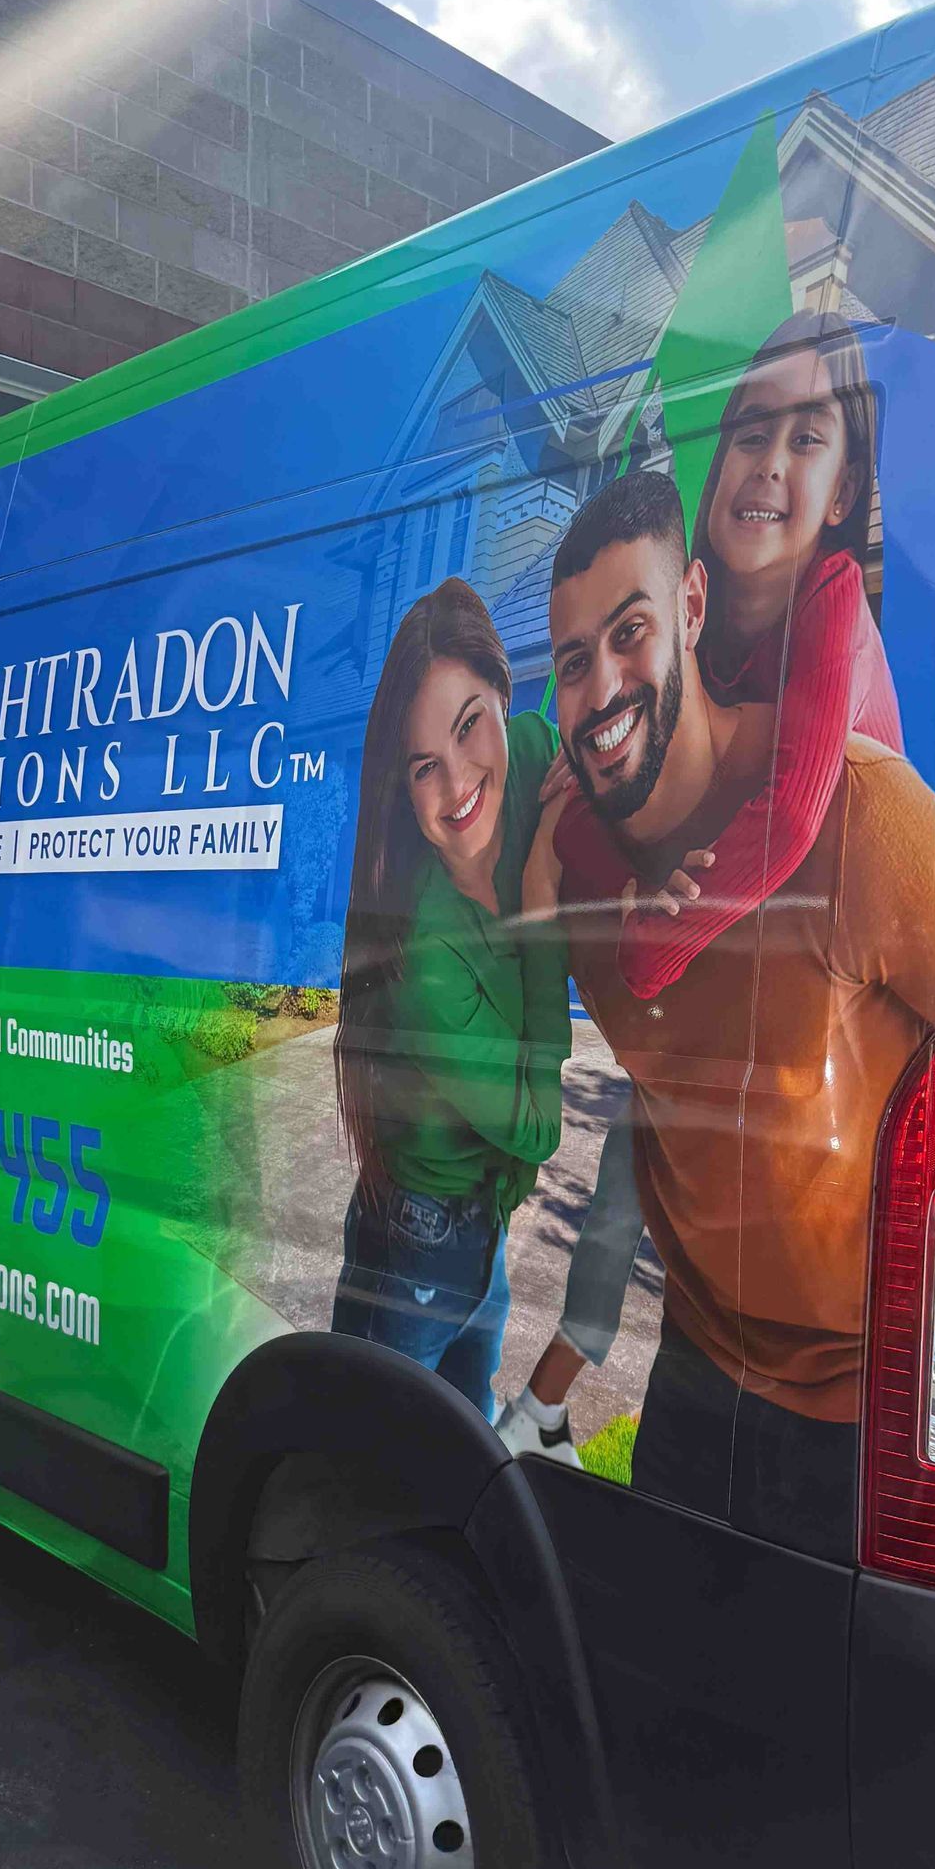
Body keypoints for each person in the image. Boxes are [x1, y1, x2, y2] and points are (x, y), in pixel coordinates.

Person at [537, 469, 935, 1540]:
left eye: (632, 632)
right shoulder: (579, 861)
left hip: (863, 1416)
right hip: (697, 1368)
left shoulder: (864, 820)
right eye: (575, 662)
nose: (604, 686)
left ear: (694, 607)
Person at [497, 310, 901, 1461]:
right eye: (748, 429)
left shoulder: (831, 604)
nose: (768, 462)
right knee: (628, 1203)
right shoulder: (700, 616)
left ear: (843, 486)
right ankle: (546, 1410)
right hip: (722, 1015)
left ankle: (548, 1410)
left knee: (715, 1247)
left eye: (807, 436)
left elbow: (793, 805)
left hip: (814, 1037)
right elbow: (621, 775)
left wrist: (651, 944)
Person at [330, 578, 571, 1420]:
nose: (459, 781)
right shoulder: (427, 950)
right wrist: (541, 904)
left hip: (484, 1224)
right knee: (367, 1459)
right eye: (425, 766)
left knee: (461, 1446)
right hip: (421, 1244)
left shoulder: (541, 755)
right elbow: (539, 1122)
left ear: (506, 693)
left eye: (470, 724)